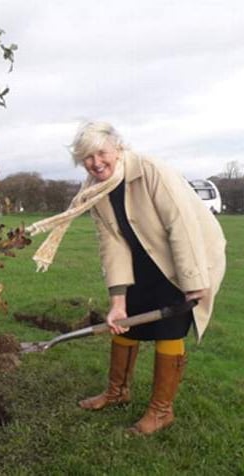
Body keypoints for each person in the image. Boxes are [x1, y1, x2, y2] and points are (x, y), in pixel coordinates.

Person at [26, 121, 226, 435]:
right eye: (87, 158)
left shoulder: (150, 171)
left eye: (101, 153)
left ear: (118, 148)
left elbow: (182, 225)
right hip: (142, 259)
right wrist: (117, 300)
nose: (95, 162)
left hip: (185, 257)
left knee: (169, 329)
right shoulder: (96, 190)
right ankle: (117, 392)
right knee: (125, 320)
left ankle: (162, 411)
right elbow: (112, 243)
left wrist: (193, 281)